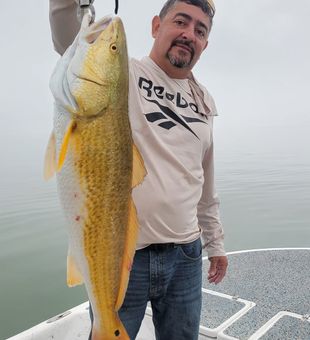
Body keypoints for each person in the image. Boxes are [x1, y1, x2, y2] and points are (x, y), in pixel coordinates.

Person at [49, 0, 228, 339]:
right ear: (156, 26)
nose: (189, 34)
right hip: (125, 256)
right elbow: (67, 38)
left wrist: (215, 243)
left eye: (200, 30)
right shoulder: (121, 73)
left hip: (187, 256)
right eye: (181, 21)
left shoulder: (204, 101)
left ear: (205, 44)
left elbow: (204, 182)